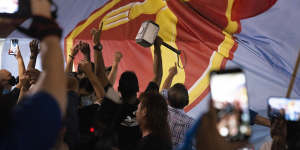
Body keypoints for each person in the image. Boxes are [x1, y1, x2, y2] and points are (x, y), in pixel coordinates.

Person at [0, 0, 67, 149]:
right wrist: (46, 24)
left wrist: (26, 58)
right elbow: (55, 90)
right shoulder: (19, 136)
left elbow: (24, 78)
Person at [160, 63, 195, 149]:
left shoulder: (160, 110)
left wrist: (171, 74)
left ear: (167, 99)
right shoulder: (191, 123)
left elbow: (163, 91)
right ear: (187, 102)